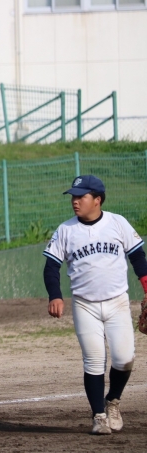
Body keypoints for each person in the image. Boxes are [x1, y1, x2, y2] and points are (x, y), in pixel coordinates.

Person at [43, 175, 147, 435]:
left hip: (117, 303)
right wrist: (55, 295)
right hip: (85, 305)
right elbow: (51, 266)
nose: (75, 201)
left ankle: (112, 401)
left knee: (124, 359)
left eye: (81, 196)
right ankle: (99, 416)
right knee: (94, 360)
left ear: (98, 199)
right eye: (73, 197)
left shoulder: (117, 223)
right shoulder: (66, 230)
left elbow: (138, 258)